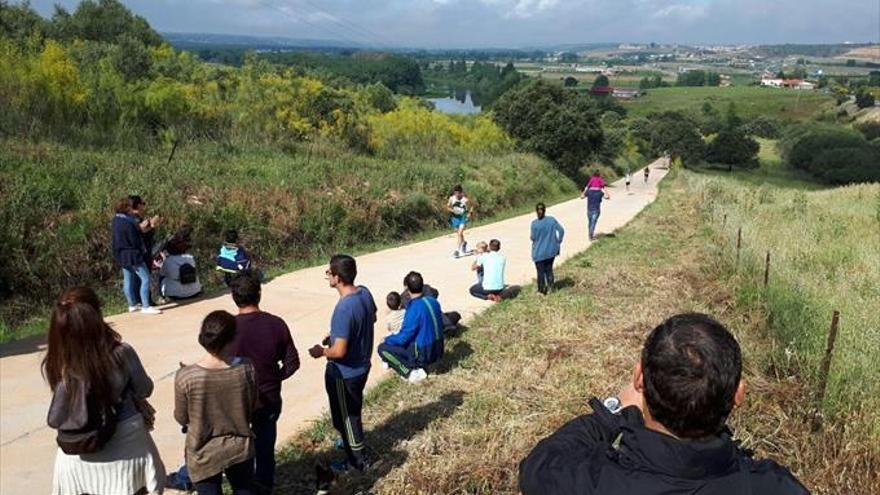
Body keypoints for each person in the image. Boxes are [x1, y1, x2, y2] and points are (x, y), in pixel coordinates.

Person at [519, 313, 809, 495]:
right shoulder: (775, 486)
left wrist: (612, 412)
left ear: (639, 379)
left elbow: (538, 464)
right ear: (738, 395)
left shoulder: (587, 480)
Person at [45, 287, 166, 495]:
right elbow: (145, 389)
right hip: (126, 447)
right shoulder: (121, 353)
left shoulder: (58, 360)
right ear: (97, 316)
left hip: (75, 451)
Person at [229, 271, 299, 494]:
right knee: (265, 449)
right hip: (268, 397)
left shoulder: (227, 328)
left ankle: (243, 487)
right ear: (259, 293)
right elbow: (292, 362)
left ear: (233, 296)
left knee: (237, 448)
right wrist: (273, 377)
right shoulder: (276, 324)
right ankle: (264, 487)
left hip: (235, 400)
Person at [175, 311, 258, 495]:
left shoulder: (187, 376)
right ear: (232, 339)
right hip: (240, 447)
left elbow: (181, 417)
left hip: (202, 452)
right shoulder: (246, 368)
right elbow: (252, 406)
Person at [308, 254, 377, 473]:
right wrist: (338, 334)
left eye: (328, 272)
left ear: (337, 277)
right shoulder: (364, 293)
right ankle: (350, 442)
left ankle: (358, 462)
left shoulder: (343, 308)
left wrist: (321, 351)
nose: (327, 276)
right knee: (351, 411)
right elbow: (371, 317)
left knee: (348, 416)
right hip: (362, 365)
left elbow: (338, 351)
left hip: (344, 374)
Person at [378, 271, 444, 384]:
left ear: (407, 289)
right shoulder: (433, 301)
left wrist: (387, 339)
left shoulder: (413, 308)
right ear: (422, 285)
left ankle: (410, 372)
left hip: (425, 354)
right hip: (439, 349)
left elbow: (403, 338)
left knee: (382, 348)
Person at [112, 197, 161, 314]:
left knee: (128, 279)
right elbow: (137, 236)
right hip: (133, 254)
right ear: (126, 208)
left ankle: (132, 304)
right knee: (146, 278)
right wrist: (150, 226)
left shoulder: (116, 220)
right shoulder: (129, 221)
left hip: (121, 254)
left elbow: (136, 230)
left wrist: (142, 227)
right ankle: (145, 306)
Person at [530, 203, 565, 295]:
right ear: (545, 210)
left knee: (540, 272)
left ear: (536, 211)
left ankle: (541, 291)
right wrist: (558, 241)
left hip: (539, 252)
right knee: (549, 270)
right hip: (551, 251)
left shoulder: (534, 224)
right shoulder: (551, 220)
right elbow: (561, 230)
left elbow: (533, 237)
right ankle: (551, 288)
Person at [159, 233, 203, 300]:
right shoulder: (190, 257)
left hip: (176, 294)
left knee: (162, 278)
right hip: (195, 291)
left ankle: (162, 298)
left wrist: (162, 263)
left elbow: (163, 273)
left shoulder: (168, 261)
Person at [580, 177, 610, 241]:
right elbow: (607, 197)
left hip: (589, 210)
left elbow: (581, 197)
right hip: (596, 210)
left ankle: (590, 235)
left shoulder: (588, 191)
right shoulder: (600, 192)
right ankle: (591, 235)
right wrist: (605, 189)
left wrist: (585, 189)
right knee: (593, 223)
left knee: (590, 223)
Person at [447, 185, 472, 258]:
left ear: (461, 193)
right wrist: (453, 210)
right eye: (455, 193)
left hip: (463, 217)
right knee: (459, 234)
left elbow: (472, 206)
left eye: (458, 193)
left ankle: (457, 251)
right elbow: (447, 207)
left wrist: (469, 213)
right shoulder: (452, 198)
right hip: (455, 218)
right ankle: (464, 243)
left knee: (460, 233)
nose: (456, 195)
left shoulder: (465, 200)